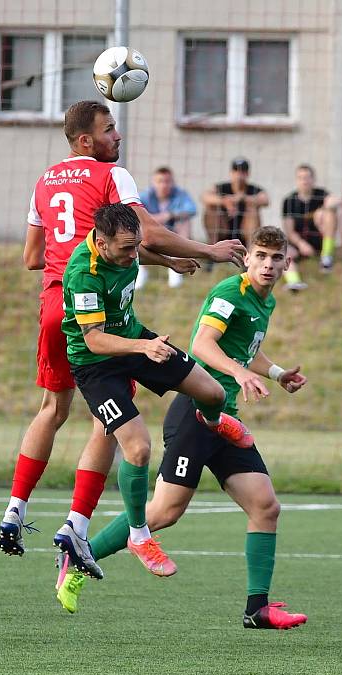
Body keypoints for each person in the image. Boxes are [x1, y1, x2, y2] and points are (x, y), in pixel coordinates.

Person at [0, 100, 245, 559]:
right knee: (110, 422)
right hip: (99, 315)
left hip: (54, 300)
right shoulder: (113, 176)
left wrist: (142, 259)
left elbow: (33, 257)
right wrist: (209, 251)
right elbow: (146, 233)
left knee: (52, 409)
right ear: (86, 140)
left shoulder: (44, 181)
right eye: (110, 130)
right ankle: (79, 523)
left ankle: (14, 509)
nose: (119, 136)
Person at [59, 225, 308, 631]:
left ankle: (257, 608)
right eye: (260, 256)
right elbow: (204, 345)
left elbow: (247, 347)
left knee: (265, 506)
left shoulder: (266, 302)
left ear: (287, 263)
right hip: (196, 414)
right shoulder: (231, 294)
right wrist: (238, 374)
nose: (267, 265)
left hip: (226, 417)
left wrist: (277, 373)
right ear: (246, 259)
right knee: (163, 511)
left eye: (275, 259)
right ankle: (77, 560)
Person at [53, 203, 253, 582]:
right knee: (139, 447)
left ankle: (213, 424)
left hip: (134, 340)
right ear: (101, 242)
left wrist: (169, 262)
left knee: (211, 393)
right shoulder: (83, 272)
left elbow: (139, 250)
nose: (132, 255)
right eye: (126, 249)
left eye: (136, 246)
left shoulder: (124, 246)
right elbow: (94, 340)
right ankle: (139, 536)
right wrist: (143, 348)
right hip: (97, 366)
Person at [280, 164, 341, 290]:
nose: (304, 181)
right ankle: (294, 282)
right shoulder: (289, 200)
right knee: (282, 253)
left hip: (319, 240)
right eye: (301, 177)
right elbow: (289, 231)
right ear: (296, 180)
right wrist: (301, 244)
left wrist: (323, 209)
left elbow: (336, 200)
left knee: (330, 213)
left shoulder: (321, 194)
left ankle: (326, 257)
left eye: (307, 177)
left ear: (313, 179)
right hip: (298, 242)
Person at [136, 166, 198, 289]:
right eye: (160, 181)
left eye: (167, 181)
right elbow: (133, 211)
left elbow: (192, 209)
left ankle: (176, 267)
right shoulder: (145, 196)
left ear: (172, 182)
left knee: (185, 222)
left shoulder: (180, 194)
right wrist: (158, 218)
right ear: (154, 182)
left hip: (173, 232)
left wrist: (170, 215)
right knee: (137, 226)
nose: (164, 185)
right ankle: (141, 270)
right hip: (151, 233)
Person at [201, 158, 269, 249]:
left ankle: (250, 250)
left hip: (244, 234)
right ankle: (213, 247)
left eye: (242, 172)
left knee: (252, 208)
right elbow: (205, 197)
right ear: (231, 173)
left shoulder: (254, 189)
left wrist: (243, 199)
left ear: (248, 174)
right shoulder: (221, 187)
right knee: (211, 208)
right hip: (223, 230)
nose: (239, 175)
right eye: (236, 171)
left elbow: (265, 200)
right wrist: (224, 201)